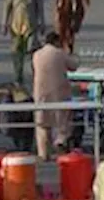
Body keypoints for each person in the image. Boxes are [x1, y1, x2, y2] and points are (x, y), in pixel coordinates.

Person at [32, 31, 77, 159]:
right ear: (57, 42)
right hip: (59, 93)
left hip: (41, 94)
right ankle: (60, 142)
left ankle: (43, 153)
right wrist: (68, 52)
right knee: (63, 121)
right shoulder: (60, 54)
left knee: (42, 124)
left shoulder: (37, 55)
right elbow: (74, 66)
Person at [2, 0, 46, 86]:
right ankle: (18, 77)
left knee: (34, 54)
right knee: (17, 54)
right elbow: (7, 9)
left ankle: (38, 76)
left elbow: (40, 9)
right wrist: (4, 25)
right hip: (15, 28)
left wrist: (42, 23)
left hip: (31, 27)